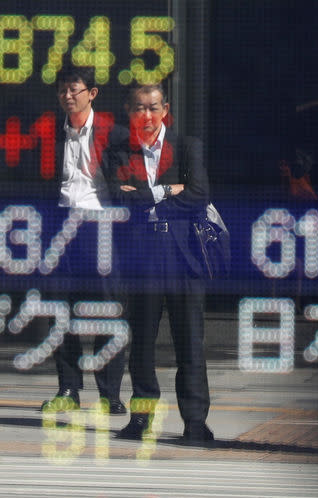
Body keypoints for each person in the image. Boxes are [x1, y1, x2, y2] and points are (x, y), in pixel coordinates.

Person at [111, 83, 213, 444]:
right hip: (142, 259)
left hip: (184, 258)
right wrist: (170, 189)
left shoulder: (187, 147)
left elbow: (200, 195)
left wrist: (146, 197)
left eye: (154, 108)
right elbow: (116, 198)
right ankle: (141, 420)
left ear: (165, 109)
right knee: (141, 346)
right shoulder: (120, 152)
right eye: (139, 109)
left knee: (190, 345)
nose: (147, 117)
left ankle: (195, 422)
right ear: (129, 112)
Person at [40, 67, 128, 415]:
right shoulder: (49, 134)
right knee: (62, 311)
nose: (67, 96)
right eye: (62, 90)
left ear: (92, 93)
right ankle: (68, 388)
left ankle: (110, 394)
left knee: (108, 310)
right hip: (61, 228)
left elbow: (127, 184)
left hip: (100, 225)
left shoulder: (114, 134)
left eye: (74, 90)